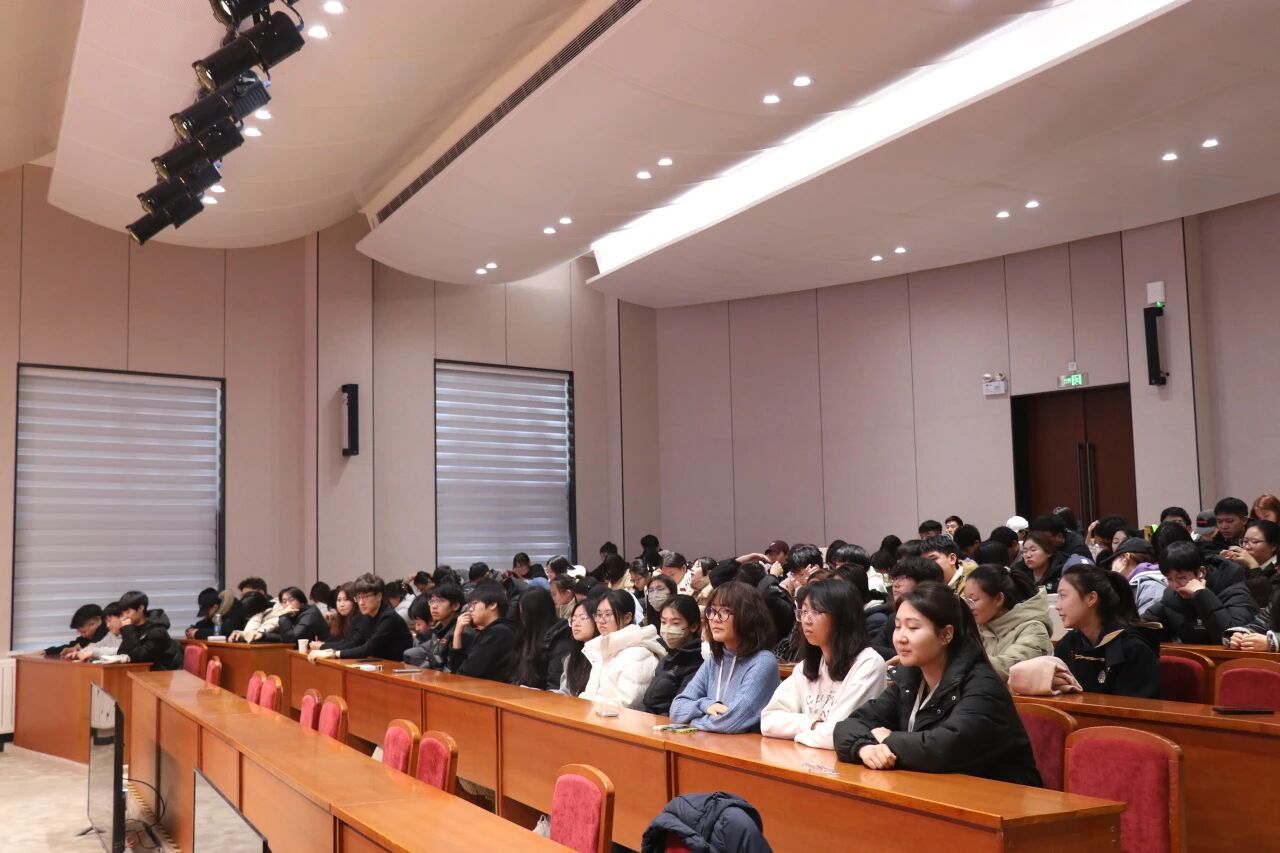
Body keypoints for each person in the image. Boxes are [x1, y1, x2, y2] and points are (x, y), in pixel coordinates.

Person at [832, 582, 1040, 785]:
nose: (900, 638)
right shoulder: (910, 679)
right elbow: (849, 725)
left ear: (946, 634)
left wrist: (888, 739)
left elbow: (944, 748)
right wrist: (864, 747)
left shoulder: (983, 685)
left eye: (913, 627)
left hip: (999, 797)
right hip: (938, 789)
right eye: (898, 626)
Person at [761, 580, 887, 749]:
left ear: (842, 617)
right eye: (803, 611)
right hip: (807, 756)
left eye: (816, 611)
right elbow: (768, 721)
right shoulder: (807, 666)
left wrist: (797, 733)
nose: (806, 620)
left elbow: (837, 734)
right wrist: (813, 725)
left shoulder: (868, 664)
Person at [670, 583, 779, 733]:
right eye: (712, 611)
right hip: (710, 743)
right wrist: (705, 705)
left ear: (748, 616)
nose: (715, 618)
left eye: (725, 611)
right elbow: (676, 709)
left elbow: (730, 722)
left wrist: (691, 721)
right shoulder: (715, 660)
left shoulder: (763, 662)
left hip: (744, 747)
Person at [1054, 563, 1161, 698]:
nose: (1057, 606)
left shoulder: (1132, 648)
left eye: (1063, 596)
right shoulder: (1067, 644)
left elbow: (1139, 707)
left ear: (1091, 598)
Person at [1146, 541, 1257, 644]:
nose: (1175, 585)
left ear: (1201, 572)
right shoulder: (1172, 596)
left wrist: (1202, 596)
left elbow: (1231, 637)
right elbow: (1145, 628)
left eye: (1181, 577)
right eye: (1169, 579)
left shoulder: (1234, 590)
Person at [580, 589, 666, 709]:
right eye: (598, 615)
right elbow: (591, 692)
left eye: (608, 614)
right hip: (596, 715)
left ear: (627, 618)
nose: (601, 621)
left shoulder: (639, 653)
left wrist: (588, 708)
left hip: (619, 718)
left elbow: (627, 702)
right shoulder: (604, 647)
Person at [962, 565, 1052, 681]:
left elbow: (1008, 670)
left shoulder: (1034, 629)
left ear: (999, 599)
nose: (968, 607)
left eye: (973, 600)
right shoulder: (979, 625)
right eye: (965, 599)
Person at [311, 574, 412, 661]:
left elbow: (369, 648)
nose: (361, 602)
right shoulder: (367, 616)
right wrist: (327, 649)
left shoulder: (389, 618)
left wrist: (334, 653)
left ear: (379, 596)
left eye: (365, 597)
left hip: (396, 666)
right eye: (358, 597)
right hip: (379, 664)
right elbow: (355, 642)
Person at [867, 557, 944, 658]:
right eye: (895, 579)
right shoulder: (893, 618)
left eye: (903, 578)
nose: (895, 584)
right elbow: (874, 648)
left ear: (924, 582)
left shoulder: (942, 616)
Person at [642, 595, 704, 715]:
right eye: (663, 622)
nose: (667, 628)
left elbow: (680, 710)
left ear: (693, 626)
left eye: (675, 623)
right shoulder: (667, 657)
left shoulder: (697, 662)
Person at [449, 582, 517, 682]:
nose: (470, 609)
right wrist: (457, 634)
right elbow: (459, 671)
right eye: (470, 605)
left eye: (475, 604)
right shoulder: (492, 630)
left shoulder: (499, 632)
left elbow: (467, 672)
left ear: (493, 605)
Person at [512, 588, 575, 690]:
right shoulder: (525, 636)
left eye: (523, 615)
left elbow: (554, 687)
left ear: (535, 615)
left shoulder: (560, 643)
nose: (522, 620)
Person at [117, 590, 183, 670]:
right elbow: (121, 653)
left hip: (160, 673)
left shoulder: (157, 631)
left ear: (140, 608)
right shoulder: (132, 628)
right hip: (140, 671)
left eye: (128, 612)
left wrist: (128, 630)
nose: (125, 617)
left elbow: (139, 658)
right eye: (123, 613)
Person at [404, 584, 464, 670]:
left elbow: (452, 668)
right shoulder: (438, 629)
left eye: (441, 601)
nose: (434, 606)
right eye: (432, 601)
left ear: (455, 606)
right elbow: (430, 658)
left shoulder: (462, 630)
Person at [1222, 519, 1279, 608]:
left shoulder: (1277, 570)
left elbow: (1268, 603)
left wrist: (1253, 566)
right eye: (1245, 541)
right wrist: (1225, 564)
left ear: (1273, 546)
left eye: (1254, 542)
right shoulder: (1241, 564)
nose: (1247, 547)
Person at [1105, 537, 1168, 616]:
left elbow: (1146, 622)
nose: (1111, 568)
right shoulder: (1141, 585)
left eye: (1114, 560)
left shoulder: (1150, 588)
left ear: (1124, 558)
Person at [260, 586, 329, 644]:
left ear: (301, 601)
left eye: (291, 600)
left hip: (325, 651)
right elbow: (285, 637)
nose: (287, 604)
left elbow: (292, 639)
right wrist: (263, 635)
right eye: (284, 601)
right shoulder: (292, 614)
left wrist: (283, 616)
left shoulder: (310, 613)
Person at [560, 598, 600, 696]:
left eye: (582, 618)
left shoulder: (604, 657)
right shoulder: (570, 659)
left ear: (597, 620)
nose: (576, 624)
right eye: (573, 619)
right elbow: (566, 692)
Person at [316, 583, 362, 649]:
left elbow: (349, 643)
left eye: (346, 599)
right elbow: (335, 639)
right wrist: (322, 643)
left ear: (355, 601)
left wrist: (323, 646)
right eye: (339, 600)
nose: (341, 604)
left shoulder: (360, 619)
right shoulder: (340, 619)